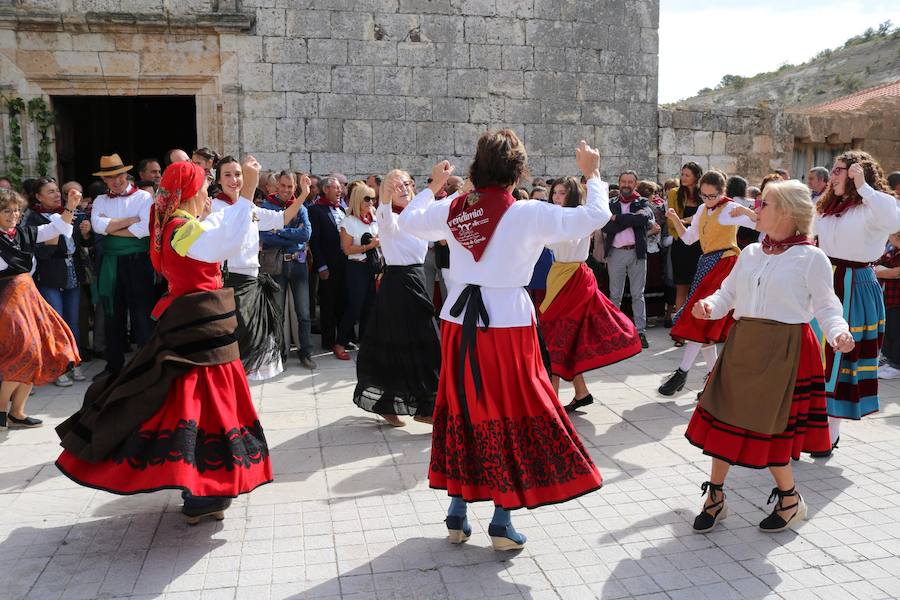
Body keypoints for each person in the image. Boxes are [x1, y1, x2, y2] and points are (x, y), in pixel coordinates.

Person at [399, 132, 605, 551]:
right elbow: (593, 217)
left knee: (463, 407)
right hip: (507, 322)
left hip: (458, 320)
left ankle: (457, 513)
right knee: (511, 412)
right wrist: (593, 174)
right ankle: (501, 520)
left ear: (477, 168)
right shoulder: (528, 213)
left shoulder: (457, 207)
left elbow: (407, 221)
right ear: (516, 172)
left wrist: (434, 185)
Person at [56, 158, 272, 524]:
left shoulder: (179, 223)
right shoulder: (180, 228)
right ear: (191, 192)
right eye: (204, 186)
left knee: (196, 403)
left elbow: (218, 227)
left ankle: (207, 490)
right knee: (201, 403)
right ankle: (203, 489)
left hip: (200, 324)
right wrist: (248, 192)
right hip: (198, 328)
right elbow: (222, 242)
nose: (207, 191)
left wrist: (240, 200)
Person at [685, 180, 853, 533]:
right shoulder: (751, 253)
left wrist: (839, 332)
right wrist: (709, 306)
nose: (755, 208)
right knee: (723, 416)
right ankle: (715, 496)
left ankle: (790, 499)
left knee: (773, 430)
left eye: (765, 204)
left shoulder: (811, 257)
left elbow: (826, 305)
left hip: (785, 349)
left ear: (788, 213)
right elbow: (727, 294)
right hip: (743, 343)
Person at [812, 151, 900, 453]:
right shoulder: (826, 206)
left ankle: (830, 432)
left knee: (841, 357)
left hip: (855, 284)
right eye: (834, 169)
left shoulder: (872, 205)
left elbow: (894, 219)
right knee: (815, 355)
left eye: (840, 170)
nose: (833, 175)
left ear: (856, 173)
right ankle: (810, 425)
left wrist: (864, 187)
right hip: (824, 280)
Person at [539, 176, 642, 412]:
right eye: (555, 192)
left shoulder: (577, 217)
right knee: (566, 336)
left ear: (572, 195)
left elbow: (555, 242)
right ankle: (581, 392)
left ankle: (552, 400)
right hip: (563, 275)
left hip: (571, 277)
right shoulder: (566, 216)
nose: (556, 196)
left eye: (562, 192)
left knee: (553, 335)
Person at [353, 169, 443, 427]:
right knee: (414, 343)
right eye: (395, 185)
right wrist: (386, 193)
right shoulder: (388, 218)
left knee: (413, 344)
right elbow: (383, 211)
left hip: (416, 281)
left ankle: (412, 405)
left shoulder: (417, 218)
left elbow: (434, 211)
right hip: (399, 283)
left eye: (405, 184)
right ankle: (419, 407)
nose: (402, 188)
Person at [659, 170, 756, 396]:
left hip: (726, 264)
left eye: (712, 196)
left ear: (722, 192)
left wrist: (747, 211)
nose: (707, 200)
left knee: (701, 319)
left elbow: (759, 224)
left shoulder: (730, 208)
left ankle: (682, 373)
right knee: (704, 324)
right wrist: (675, 219)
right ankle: (713, 380)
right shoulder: (702, 209)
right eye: (703, 195)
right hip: (707, 263)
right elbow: (689, 239)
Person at [211, 157, 309, 380]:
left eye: (238, 174)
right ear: (218, 180)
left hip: (252, 281)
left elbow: (281, 218)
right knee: (234, 348)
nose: (234, 180)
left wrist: (303, 194)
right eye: (227, 174)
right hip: (229, 282)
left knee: (251, 350)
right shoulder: (215, 207)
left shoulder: (250, 207)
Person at [1, 187, 80, 428]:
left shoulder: (23, 233)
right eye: (6, 211)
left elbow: (55, 229)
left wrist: (70, 206)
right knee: (24, 351)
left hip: (28, 295)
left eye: (16, 211)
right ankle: (2, 408)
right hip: (6, 298)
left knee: (40, 351)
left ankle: (17, 412)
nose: (13, 215)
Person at [89, 154, 156, 381]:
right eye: (110, 177)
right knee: (112, 314)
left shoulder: (144, 198)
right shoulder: (100, 200)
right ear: (105, 180)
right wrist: (130, 221)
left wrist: (111, 227)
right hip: (111, 263)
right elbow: (98, 227)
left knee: (142, 313)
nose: (116, 181)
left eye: (119, 175)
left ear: (126, 174)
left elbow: (145, 229)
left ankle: (145, 364)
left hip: (138, 261)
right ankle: (114, 365)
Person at [26, 177, 90, 386]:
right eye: (50, 191)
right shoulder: (34, 219)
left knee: (73, 322)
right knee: (55, 322)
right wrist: (52, 240)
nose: (55, 195)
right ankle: (57, 367)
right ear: (38, 196)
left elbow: (79, 243)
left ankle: (74, 363)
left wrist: (85, 234)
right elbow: (40, 252)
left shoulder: (69, 213)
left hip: (72, 271)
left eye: (56, 191)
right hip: (50, 275)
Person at [258, 171, 316, 370]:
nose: (286, 190)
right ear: (276, 186)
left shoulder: (300, 207)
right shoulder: (267, 206)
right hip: (276, 264)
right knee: (278, 313)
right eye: (283, 186)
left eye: (290, 187)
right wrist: (291, 235)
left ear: (295, 188)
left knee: (304, 312)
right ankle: (279, 353)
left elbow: (306, 233)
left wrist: (280, 231)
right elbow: (266, 237)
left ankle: (305, 352)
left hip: (298, 264)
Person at [602, 171, 652, 348]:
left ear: (635, 184)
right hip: (616, 253)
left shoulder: (643, 202)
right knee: (615, 295)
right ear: (619, 182)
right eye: (623, 181)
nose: (626, 185)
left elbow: (644, 219)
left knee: (638, 294)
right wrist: (631, 220)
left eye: (630, 182)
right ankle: (614, 331)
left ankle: (640, 332)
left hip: (636, 252)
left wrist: (619, 219)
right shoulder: (611, 204)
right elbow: (607, 225)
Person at [334, 184, 379, 360]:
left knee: (370, 306)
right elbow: (346, 249)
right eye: (367, 198)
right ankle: (340, 343)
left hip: (372, 267)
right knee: (354, 307)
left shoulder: (373, 218)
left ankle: (366, 344)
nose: (371, 202)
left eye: (372, 198)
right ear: (357, 200)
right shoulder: (349, 222)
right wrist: (369, 245)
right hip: (356, 267)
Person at [309, 176, 348, 351]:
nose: (340, 191)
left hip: (345, 264)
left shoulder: (343, 210)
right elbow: (314, 241)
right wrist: (321, 266)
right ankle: (328, 340)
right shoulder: (316, 210)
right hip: (328, 265)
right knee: (328, 304)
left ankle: (343, 338)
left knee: (343, 301)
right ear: (326, 190)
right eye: (336, 188)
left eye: (340, 188)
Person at [667, 162, 703, 345]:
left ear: (696, 177)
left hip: (700, 246)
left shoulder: (704, 195)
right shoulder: (674, 193)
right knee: (681, 288)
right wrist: (689, 221)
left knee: (698, 289)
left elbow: (706, 219)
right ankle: (679, 330)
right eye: (682, 174)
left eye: (687, 175)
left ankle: (696, 329)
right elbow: (672, 221)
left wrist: (686, 220)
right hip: (681, 244)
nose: (683, 178)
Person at [875, 231, 900, 380]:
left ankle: (896, 365)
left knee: (897, 333)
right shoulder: (892, 252)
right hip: (889, 300)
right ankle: (889, 360)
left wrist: (885, 272)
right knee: (889, 330)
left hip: (897, 301)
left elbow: (893, 273)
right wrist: (885, 271)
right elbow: (875, 266)